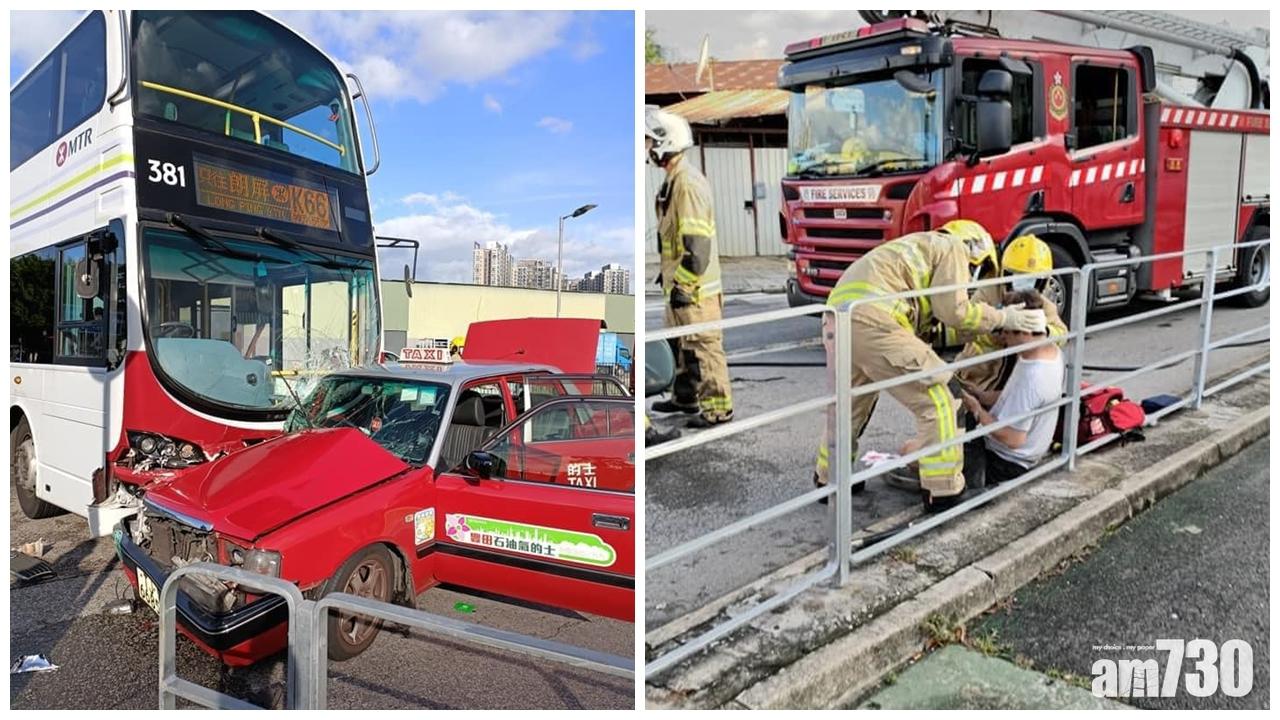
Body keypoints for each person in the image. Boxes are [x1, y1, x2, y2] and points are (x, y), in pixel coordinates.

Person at [815, 219, 1046, 512]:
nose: (971, 278)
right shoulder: (951, 247)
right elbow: (955, 311)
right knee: (942, 397)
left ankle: (830, 478)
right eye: (977, 269)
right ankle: (944, 490)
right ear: (976, 250)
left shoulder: (915, 247)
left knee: (851, 403)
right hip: (876, 322)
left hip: (839, 321)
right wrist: (1005, 319)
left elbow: (934, 321)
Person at [645, 107, 732, 428]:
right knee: (680, 345)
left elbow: (697, 246)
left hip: (695, 290)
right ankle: (686, 398)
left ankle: (718, 410)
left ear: (665, 142)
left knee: (704, 347)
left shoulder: (687, 184)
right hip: (678, 287)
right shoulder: (673, 181)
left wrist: (683, 285)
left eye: (650, 141)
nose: (646, 148)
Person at [959, 290, 1065, 485]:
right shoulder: (1050, 352)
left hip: (1004, 461)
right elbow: (1016, 399)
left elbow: (1013, 439)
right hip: (1011, 451)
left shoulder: (1033, 378)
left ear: (1023, 331)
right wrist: (982, 396)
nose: (1002, 338)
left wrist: (977, 409)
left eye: (1006, 331)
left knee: (914, 453)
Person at [950, 234, 1067, 394]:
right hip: (979, 375)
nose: (1022, 287)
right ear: (1005, 275)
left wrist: (1043, 331)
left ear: (1043, 281)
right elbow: (964, 329)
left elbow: (1062, 334)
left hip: (1014, 379)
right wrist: (998, 327)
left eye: (1031, 281)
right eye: (1016, 278)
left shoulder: (1044, 305)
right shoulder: (988, 293)